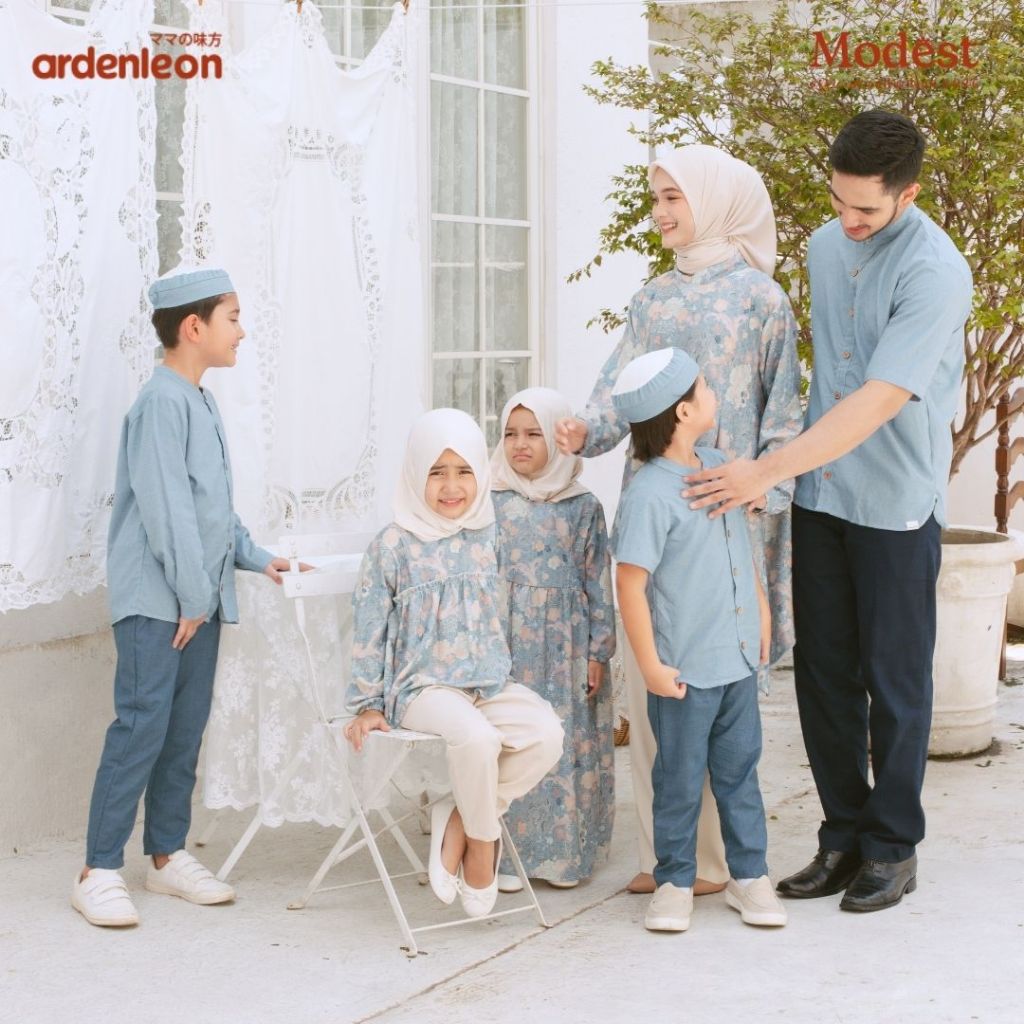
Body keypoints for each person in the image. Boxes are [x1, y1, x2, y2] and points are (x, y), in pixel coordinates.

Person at [682, 110, 973, 912]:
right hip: (821, 494)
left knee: (895, 683)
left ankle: (892, 845)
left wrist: (762, 472)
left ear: (909, 194)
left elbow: (877, 399)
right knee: (823, 676)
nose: (848, 221)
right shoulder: (822, 245)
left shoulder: (936, 272)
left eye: (866, 209)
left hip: (894, 503)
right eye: (838, 201)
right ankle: (842, 835)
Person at [556, 144, 802, 896]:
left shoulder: (763, 300)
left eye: (674, 197)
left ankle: (719, 865)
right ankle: (664, 858)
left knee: (721, 695)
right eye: (657, 197)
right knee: (655, 675)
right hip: (658, 505)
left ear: (716, 201)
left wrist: (764, 488)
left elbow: (783, 414)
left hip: (726, 512)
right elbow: (619, 391)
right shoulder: (652, 300)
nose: (661, 211)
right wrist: (585, 431)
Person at [73, 267, 296, 928]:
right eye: (233, 318)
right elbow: (166, 511)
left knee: (182, 732)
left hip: (196, 602)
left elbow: (210, 508)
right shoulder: (160, 404)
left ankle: (166, 855)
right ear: (193, 327)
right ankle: (97, 869)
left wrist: (258, 557)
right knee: (141, 726)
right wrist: (195, 597)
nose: (242, 331)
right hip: (159, 604)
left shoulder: (198, 400)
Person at [343, 408, 564, 918]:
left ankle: (461, 816)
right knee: (478, 739)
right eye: (436, 472)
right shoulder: (392, 545)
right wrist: (367, 703)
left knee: (546, 734)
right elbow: (369, 629)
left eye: (464, 471)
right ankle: (483, 847)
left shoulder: (488, 533)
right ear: (415, 473)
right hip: (422, 688)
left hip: (487, 682)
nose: (451, 486)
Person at [612, 347, 787, 932]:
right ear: (683, 412)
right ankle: (674, 882)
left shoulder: (718, 467)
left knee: (740, 775)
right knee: (680, 781)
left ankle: (751, 877)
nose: (714, 395)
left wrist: (760, 610)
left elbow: (739, 545)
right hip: (683, 671)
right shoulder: (647, 495)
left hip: (736, 659)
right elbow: (630, 585)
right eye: (705, 388)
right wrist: (650, 667)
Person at [489, 388, 616, 892]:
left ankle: (562, 856)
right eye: (510, 434)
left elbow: (597, 580)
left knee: (563, 740)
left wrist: (598, 651)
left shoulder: (582, 506)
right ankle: (504, 855)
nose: (519, 444)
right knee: (510, 739)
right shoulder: (491, 500)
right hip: (506, 642)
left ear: (557, 441)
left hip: (565, 644)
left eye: (533, 434)